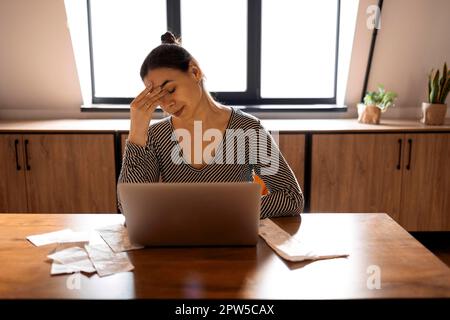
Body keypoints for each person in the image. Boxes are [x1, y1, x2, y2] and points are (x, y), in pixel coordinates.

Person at [118, 31, 304, 218]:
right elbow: (129, 208)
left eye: (171, 89)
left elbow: (291, 197)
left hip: (235, 241)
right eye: (158, 97)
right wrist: (136, 132)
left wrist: (226, 212)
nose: (167, 104)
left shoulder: (248, 129)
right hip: (179, 243)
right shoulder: (155, 136)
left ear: (195, 72)